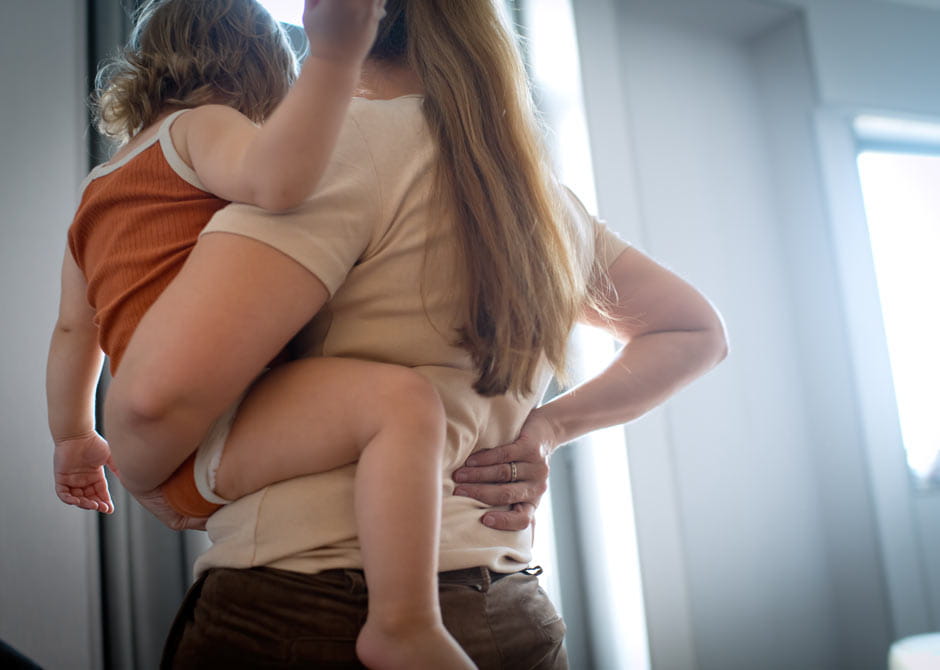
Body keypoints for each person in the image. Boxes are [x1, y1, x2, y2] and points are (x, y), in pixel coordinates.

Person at [103, 0, 729, 667]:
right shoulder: (544, 201)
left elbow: (151, 401)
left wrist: (151, 482)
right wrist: (545, 430)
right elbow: (695, 331)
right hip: (512, 617)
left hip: (311, 613)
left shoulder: (342, 149)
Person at [46, 1, 476, 668]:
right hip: (218, 426)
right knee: (403, 405)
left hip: (177, 461)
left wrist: (74, 437)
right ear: (261, 69)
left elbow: (77, 328)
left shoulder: (95, 190)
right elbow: (277, 180)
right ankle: (403, 621)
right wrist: (334, 59)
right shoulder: (200, 126)